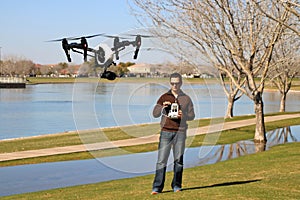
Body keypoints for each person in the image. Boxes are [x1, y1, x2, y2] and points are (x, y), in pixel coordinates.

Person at [151, 72, 195, 194]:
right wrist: (161, 107)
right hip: (165, 132)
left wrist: (183, 115)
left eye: (177, 83)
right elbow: (154, 114)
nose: (174, 85)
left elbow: (192, 116)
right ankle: (157, 187)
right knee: (161, 160)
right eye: (172, 83)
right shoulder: (164, 97)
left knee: (178, 161)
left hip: (180, 133)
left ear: (181, 83)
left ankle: (177, 185)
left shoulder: (186, 98)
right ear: (170, 83)